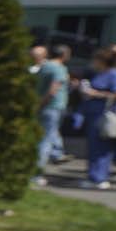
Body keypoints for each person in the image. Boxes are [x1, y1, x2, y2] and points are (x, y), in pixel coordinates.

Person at [74, 47, 116, 190]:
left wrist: (96, 94)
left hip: (104, 116)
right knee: (94, 147)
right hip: (94, 114)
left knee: (102, 148)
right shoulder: (100, 73)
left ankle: (99, 177)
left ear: (102, 61)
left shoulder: (115, 74)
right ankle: (94, 176)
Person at [31, 44, 70, 186]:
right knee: (45, 141)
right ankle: (36, 173)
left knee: (46, 137)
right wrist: (42, 103)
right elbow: (53, 90)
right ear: (64, 55)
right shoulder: (59, 68)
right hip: (52, 107)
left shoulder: (44, 66)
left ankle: (57, 153)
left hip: (44, 107)